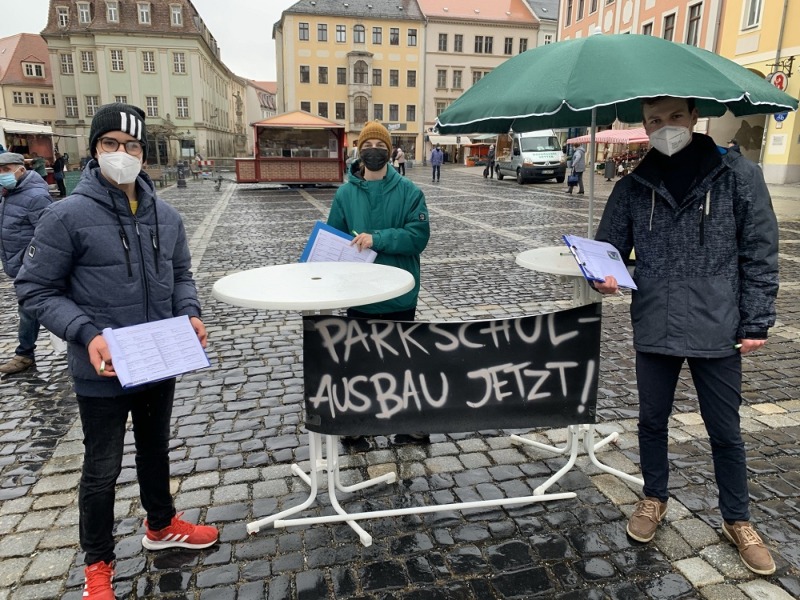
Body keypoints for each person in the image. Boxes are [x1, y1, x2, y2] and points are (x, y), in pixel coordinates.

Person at [15, 103, 218, 600]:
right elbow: (36, 289)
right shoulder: (66, 216)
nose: (122, 154)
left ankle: (161, 524)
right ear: (94, 150)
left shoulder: (165, 216)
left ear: (144, 154)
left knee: (155, 451)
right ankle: (98, 564)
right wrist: (86, 333)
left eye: (131, 146)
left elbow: (181, 276)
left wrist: (189, 312)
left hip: (158, 358)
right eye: (111, 144)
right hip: (102, 368)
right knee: (101, 468)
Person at [593, 96, 778, 576]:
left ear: (695, 117)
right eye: (655, 120)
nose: (666, 127)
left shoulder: (738, 177)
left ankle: (738, 519)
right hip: (655, 320)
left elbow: (760, 252)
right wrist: (601, 272)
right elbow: (610, 246)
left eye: (675, 117)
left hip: (718, 323)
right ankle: (654, 497)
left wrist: (756, 319)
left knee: (725, 431)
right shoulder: (634, 185)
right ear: (645, 126)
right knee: (651, 421)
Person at [327, 120, 430, 444]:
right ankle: (358, 425)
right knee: (360, 365)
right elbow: (335, 237)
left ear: (390, 150)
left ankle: (407, 424)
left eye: (380, 146)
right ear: (359, 152)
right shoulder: (345, 194)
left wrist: (377, 239)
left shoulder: (410, 192)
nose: (374, 151)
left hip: (400, 295)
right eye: (368, 146)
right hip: (361, 296)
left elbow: (418, 236)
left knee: (402, 363)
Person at [0, 153, 52, 375]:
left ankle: (24, 354)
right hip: (17, 262)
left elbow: (47, 234)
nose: (2, 174)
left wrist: (28, 259)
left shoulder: (36, 196)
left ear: (20, 169)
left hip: (32, 266)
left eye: (6, 169)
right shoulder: (8, 194)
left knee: (29, 308)